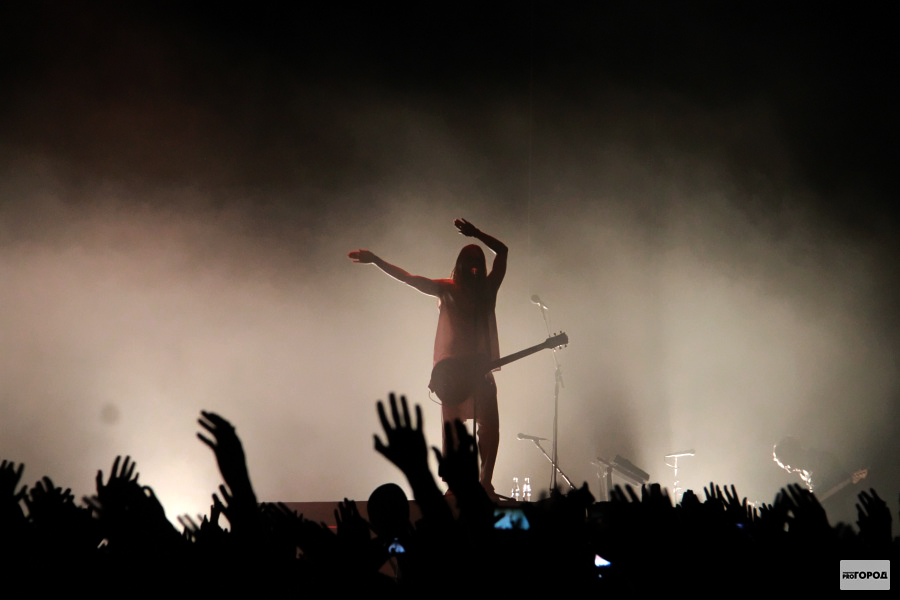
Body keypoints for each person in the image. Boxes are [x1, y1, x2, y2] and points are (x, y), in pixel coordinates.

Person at [349, 219, 507, 498]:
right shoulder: (447, 289)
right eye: (468, 259)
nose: (473, 265)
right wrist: (376, 261)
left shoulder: (488, 289)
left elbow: (503, 252)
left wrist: (477, 234)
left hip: (480, 368)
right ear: (460, 264)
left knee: (490, 426)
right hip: (453, 371)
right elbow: (408, 278)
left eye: (477, 260)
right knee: (453, 429)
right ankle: (454, 485)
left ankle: (485, 482)